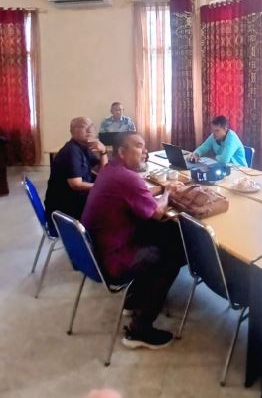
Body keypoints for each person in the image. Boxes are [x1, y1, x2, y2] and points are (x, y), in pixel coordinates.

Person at [81, 132, 185, 350]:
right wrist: (167, 193)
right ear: (122, 151)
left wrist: (162, 189)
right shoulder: (127, 178)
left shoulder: (110, 170)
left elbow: (136, 194)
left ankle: (134, 300)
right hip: (113, 259)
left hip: (96, 250)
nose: (145, 151)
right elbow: (157, 212)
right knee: (172, 256)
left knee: (161, 235)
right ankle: (140, 329)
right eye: (139, 146)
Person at [44, 117, 108, 233]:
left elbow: (102, 172)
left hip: (74, 203)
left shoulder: (83, 146)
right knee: (112, 208)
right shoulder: (71, 151)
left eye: (91, 126)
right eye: (84, 126)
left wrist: (103, 151)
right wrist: (101, 188)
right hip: (64, 213)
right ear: (73, 131)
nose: (89, 130)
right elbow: (76, 185)